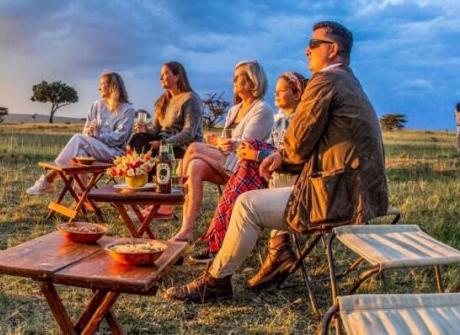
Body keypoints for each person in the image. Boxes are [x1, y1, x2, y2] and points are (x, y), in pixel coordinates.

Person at [165, 21, 389, 303]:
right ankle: (277, 249)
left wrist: (273, 156)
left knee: (247, 204)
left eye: (314, 44)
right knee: (270, 182)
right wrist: (279, 156)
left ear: (332, 50)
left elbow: (296, 146)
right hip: (363, 196)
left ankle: (216, 281)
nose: (307, 50)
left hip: (339, 199)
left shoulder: (325, 82)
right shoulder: (350, 82)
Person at [191, 72, 307, 283]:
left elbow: (293, 157)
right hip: (272, 177)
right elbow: (274, 151)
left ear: (297, 93)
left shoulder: (299, 120)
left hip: (292, 184)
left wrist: (255, 154)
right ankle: (274, 246)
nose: (277, 94)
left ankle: (221, 247)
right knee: (205, 164)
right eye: (276, 91)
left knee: (200, 153)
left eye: (282, 90)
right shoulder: (277, 119)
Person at [170, 60, 274, 242]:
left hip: (246, 170)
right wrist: (220, 142)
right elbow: (225, 143)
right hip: (227, 165)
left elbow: (245, 146)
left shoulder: (263, 110)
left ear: (252, 81)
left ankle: (173, 197)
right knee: (195, 165)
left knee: (194, 147)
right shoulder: (235, 109)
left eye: (239, 76)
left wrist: (221, 141)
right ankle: (186, 230)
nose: (233, 79)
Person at [26, 72, 135, 195]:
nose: (99, 88)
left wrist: (96, 137)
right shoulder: (96, 105)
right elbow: (85, 132)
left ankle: (48, 179)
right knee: (81, 153)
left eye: (102, 84)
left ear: (113, 86)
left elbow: (119, 138)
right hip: (92, 150)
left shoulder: (128, 110)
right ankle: (82, 196)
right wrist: (88, 132)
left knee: (78, 138)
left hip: (114, 154)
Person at [129, 61, 204, 159]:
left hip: (181, 147)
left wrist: (162, 144)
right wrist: (145, 129)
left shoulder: (190, 99)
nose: (160, 78)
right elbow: (155, 130)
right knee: (138, 138)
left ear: (177, 76)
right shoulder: (162, 101)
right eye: (161, 75)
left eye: (165, 74)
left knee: (146, 152)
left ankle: (140, 170)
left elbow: (189, 133)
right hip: (162, 141)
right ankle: (135, 170)